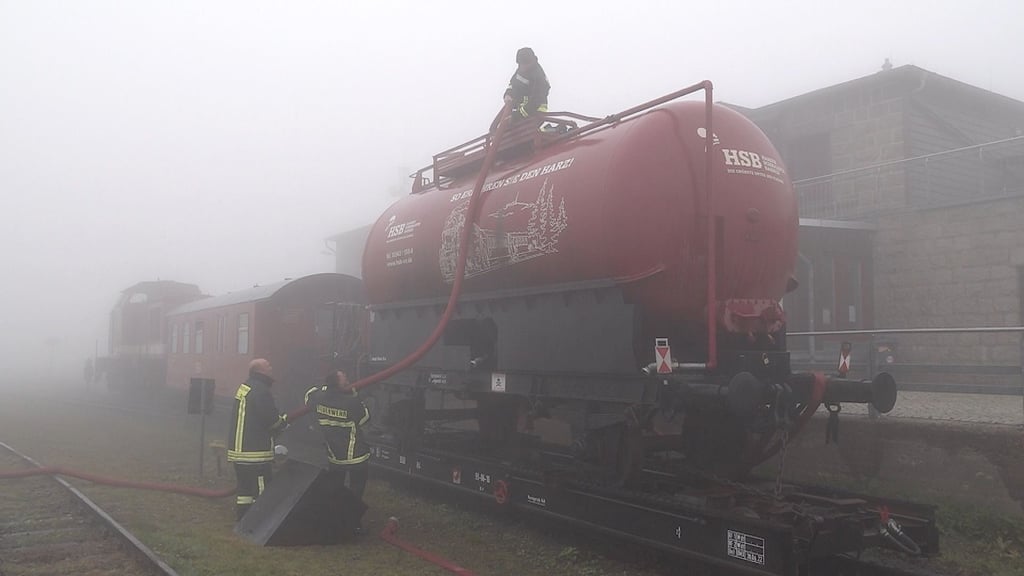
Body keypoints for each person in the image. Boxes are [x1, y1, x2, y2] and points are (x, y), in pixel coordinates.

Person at [304, 368, 371, 534]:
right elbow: (365, 418)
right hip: (356, 456)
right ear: (338, 383)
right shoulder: (351, 402)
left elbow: (309, 395)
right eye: (344, 377)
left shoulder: (318, 398)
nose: (347, 378)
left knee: (336, 489)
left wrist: (325, 388)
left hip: (335, 456)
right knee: (356, 490)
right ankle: (353, 524)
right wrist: (355, 396)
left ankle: (334, 521)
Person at [227, 358, 289, 520]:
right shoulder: (261, 390)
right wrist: (282, 422)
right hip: (254, 453)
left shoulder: (246, 386)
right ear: (260, 370)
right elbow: (271, 419)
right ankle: (259, 523)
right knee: (261, 489)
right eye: (268, 365)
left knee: (245, 490)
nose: (271, 367)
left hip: (239, 451)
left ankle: (243, 520)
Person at [503, 47, 550, 122]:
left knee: (518, 131)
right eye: (520, 64)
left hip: (536, 112)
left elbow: (536, 100)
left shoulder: (538, 76)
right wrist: (508, 94)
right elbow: (512, 83)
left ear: (531, 62)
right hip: (521, 110)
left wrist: (518, 115)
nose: (522, 67)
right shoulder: (520, 70)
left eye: (525, 64)